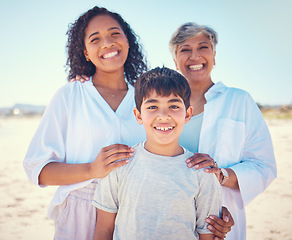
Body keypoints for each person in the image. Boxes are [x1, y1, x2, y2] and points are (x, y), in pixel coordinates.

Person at [23, 6, 147, 240]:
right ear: (86, 53)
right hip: (81, 212)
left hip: (137, 210)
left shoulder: (146, 98)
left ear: (128, 41)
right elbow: (37, 169)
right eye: (95, 39)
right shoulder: (70, 95)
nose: (107, 43)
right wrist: (92, 169)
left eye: (114, 34)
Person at [168, 22, 277, 239]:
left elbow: (264, 166)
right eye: (185, 50)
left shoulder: (239, 101)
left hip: (219, 221)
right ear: (175, 60)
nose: (195, 56)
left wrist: (221, 175)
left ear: (214, 56)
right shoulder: (162, 105)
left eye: (203, 47)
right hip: (169, 217)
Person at [93, 67, 222, 240]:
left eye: (174, 106)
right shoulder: (120, 166)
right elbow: (103, 230)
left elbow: (208, 236)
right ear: (138, 116)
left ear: (188, 114)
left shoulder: (202, 173)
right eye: (153, 106)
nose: (163, 115)